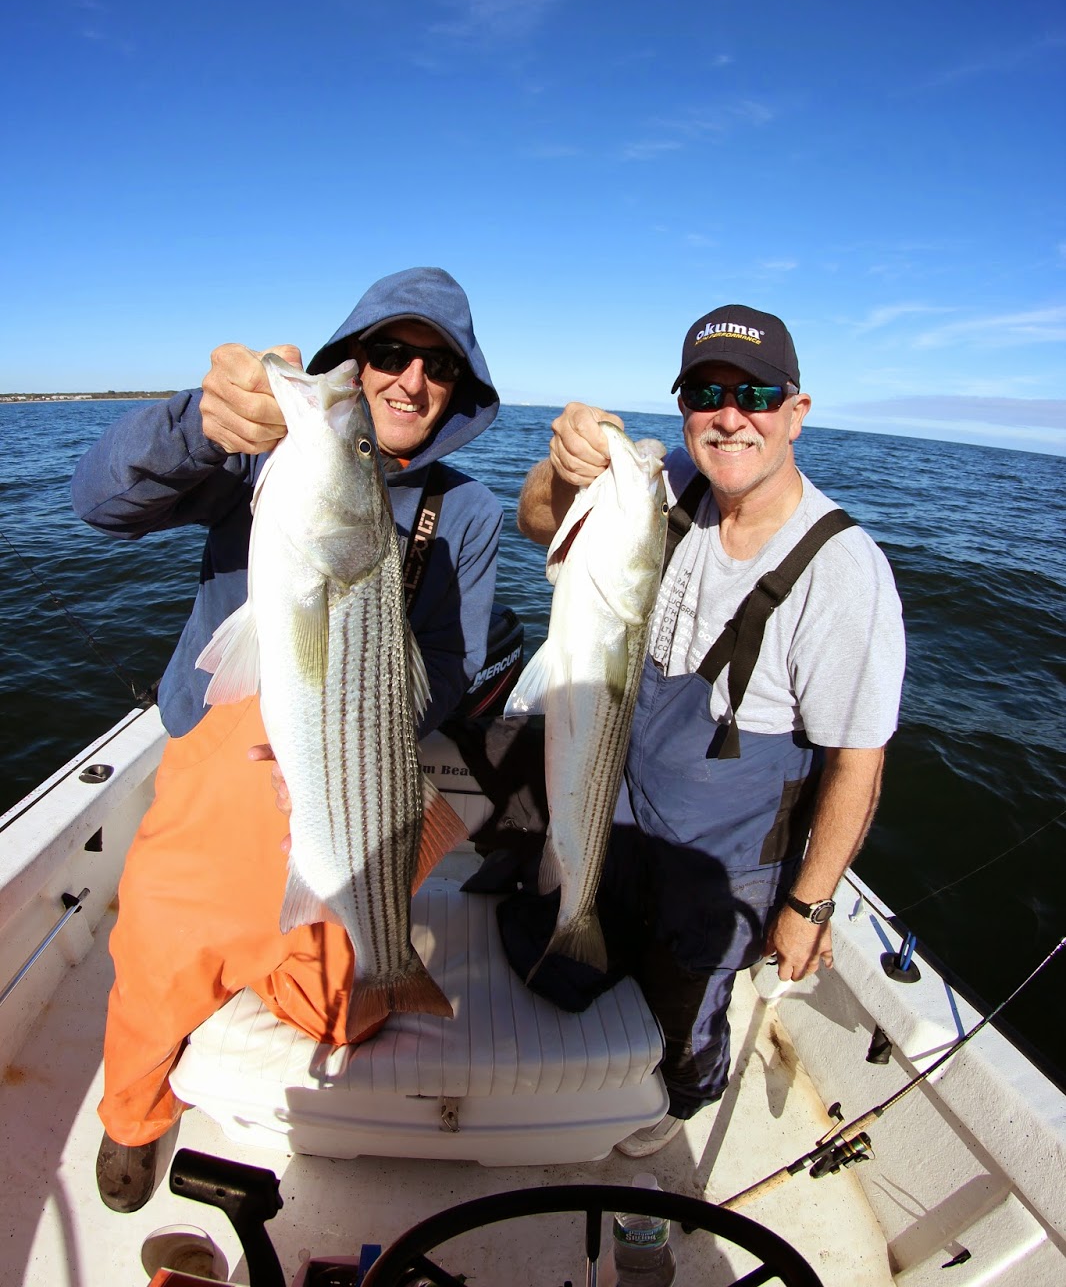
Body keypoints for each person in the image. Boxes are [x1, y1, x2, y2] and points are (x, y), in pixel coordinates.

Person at [72, 265, 502, 1210]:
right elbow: (98, 502)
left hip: (355, 773)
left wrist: (350, 734)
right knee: (160, 957)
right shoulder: (260, 453)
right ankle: (133, 1118)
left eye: (438, 368)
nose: (406, 382)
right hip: (220, 771)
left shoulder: (466, 510)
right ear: (351, 361)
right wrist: (196, 420)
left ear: (460, 394)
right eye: (387, 355)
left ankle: (292, 974)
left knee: (341, 1014)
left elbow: (455, 667)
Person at [516, 303, 905, 1156]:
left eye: (756, 391)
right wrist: (563, 465)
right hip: (615, 808)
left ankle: (686, 1097)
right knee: (554, 970)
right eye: (705, 391)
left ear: (796, 412)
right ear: (685, 408)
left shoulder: (843, 572)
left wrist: (808, 906)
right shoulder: (665, 493)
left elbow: (858, 763)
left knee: (684, 1012)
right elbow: (539, 522)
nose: (730, 413)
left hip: (718, 854)